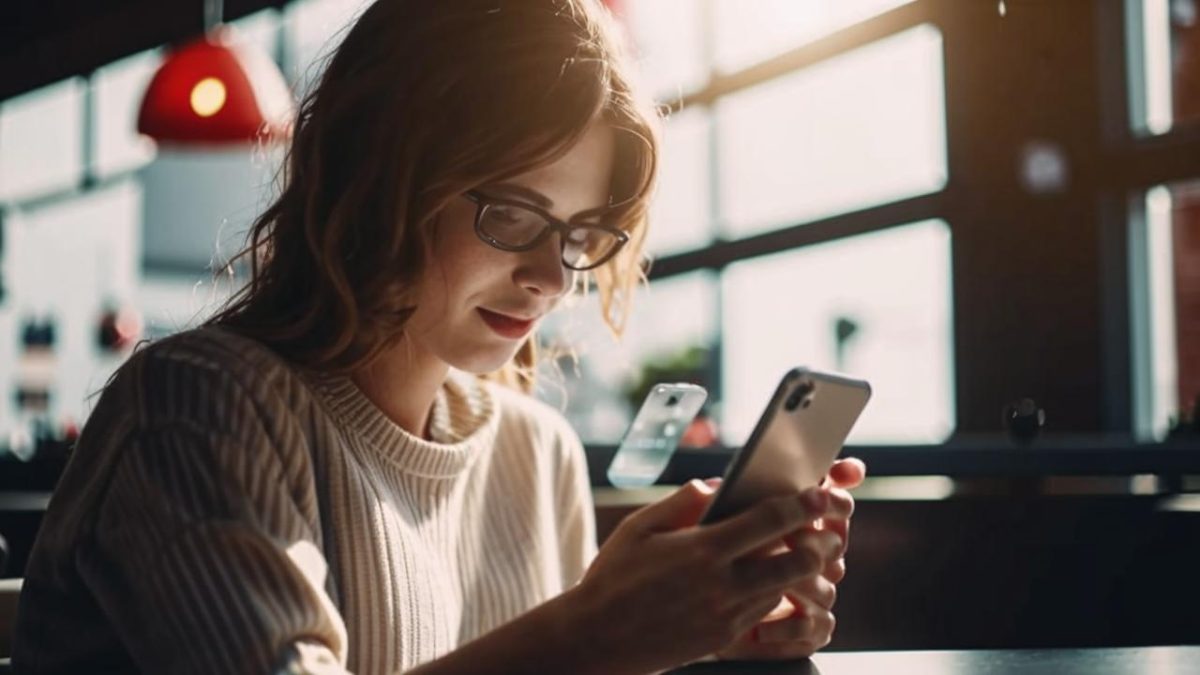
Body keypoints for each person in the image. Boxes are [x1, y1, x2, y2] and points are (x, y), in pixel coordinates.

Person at [11, 0, 866, 672]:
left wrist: (699, 639)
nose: (554, 276)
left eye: (581, 233)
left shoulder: (537, 455)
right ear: (377, 172)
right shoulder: (198, 405)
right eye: (514, 214)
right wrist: (595, 633)